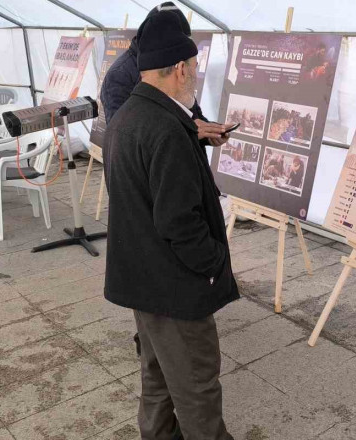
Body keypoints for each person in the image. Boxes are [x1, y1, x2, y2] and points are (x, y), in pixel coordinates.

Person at [103, 11, 237, 440]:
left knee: (157, 381)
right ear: (180, 68)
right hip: (174, 288)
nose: (196, 75)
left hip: (144, 281)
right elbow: (180, 225)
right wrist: (214, 262)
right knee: (197, 389)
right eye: (195, 67)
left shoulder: (128, 116)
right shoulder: (166, 129)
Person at [100, 2, 226, 146]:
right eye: (177, 42)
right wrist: (188, 131)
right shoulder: (120, 75)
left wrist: (209, 133)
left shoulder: (173, 67)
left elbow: (192, 114)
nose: (180, 50)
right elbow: (122, 135)